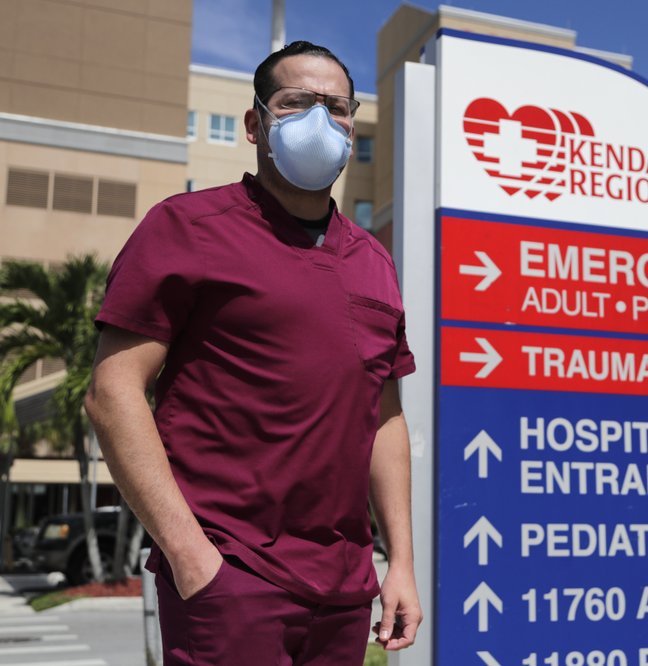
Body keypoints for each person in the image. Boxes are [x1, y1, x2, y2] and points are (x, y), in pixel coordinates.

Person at [84, 41, 421, 665]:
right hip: (233, 574)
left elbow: (385, 418)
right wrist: (192, 555)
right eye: (296, 102)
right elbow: (112, 393)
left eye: (337, 107)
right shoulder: (186, 228)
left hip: (346, 587)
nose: (320, 120)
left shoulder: (373, 261)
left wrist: (399, 561)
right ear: (255, 123)